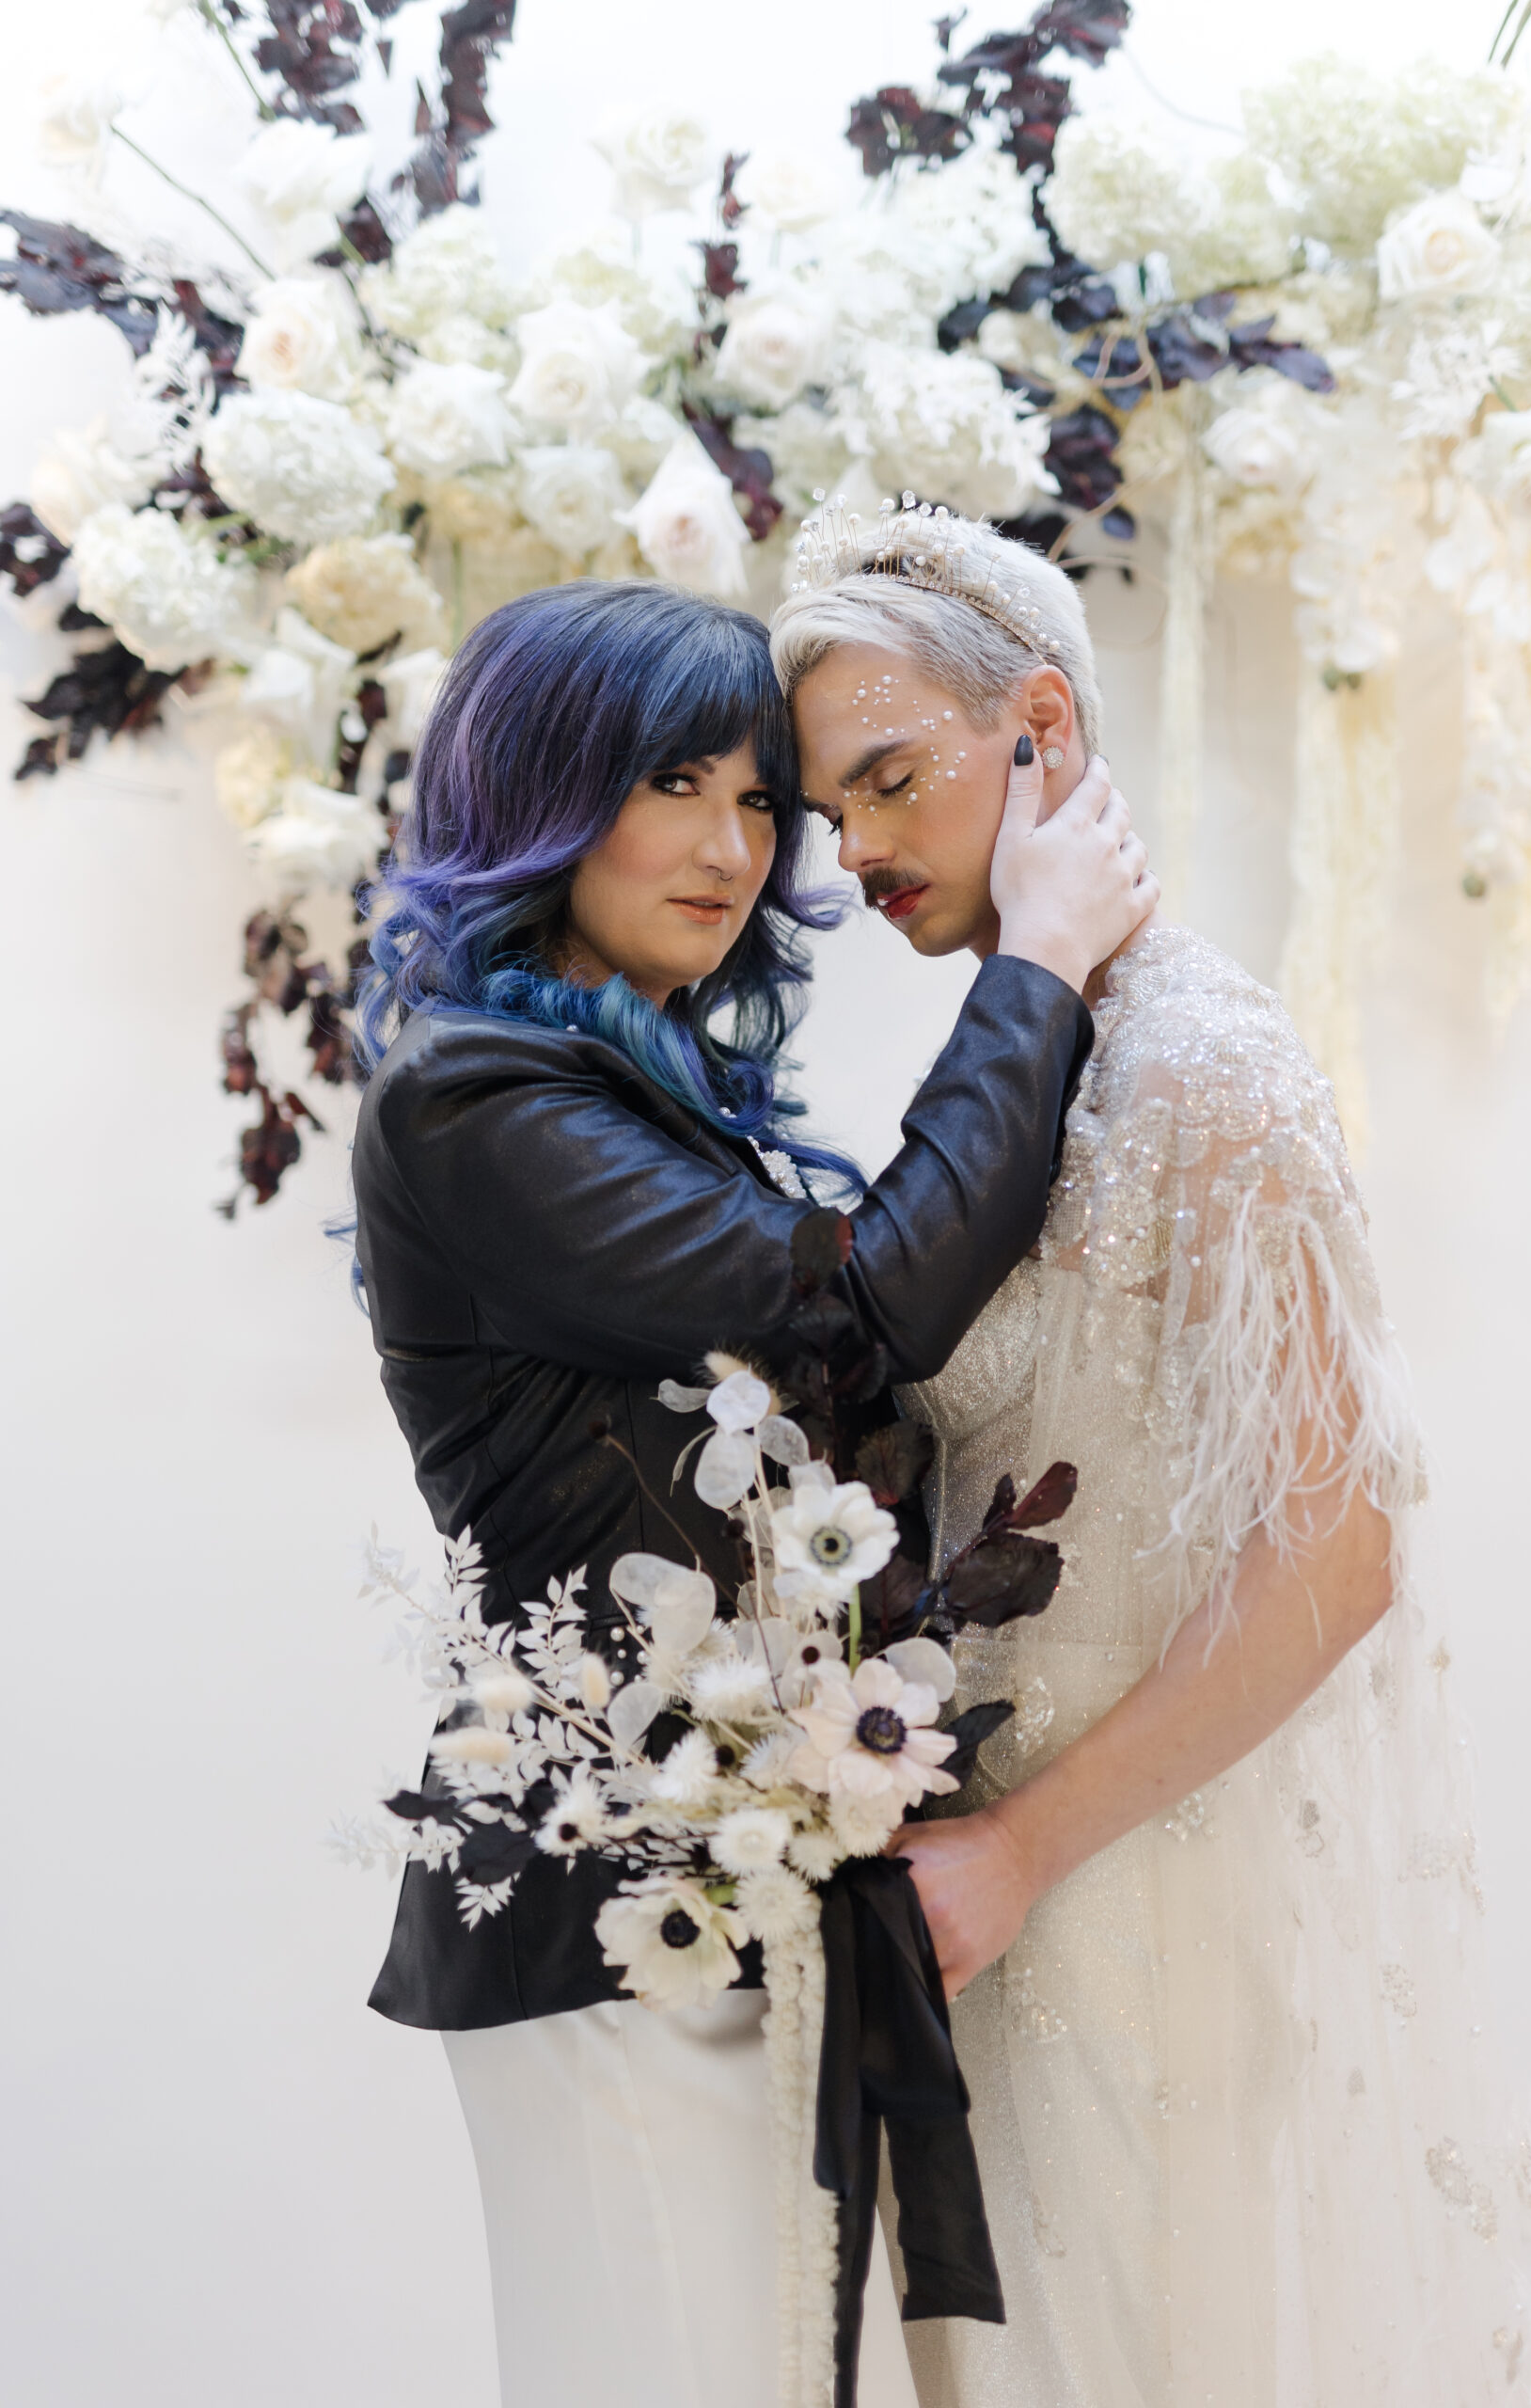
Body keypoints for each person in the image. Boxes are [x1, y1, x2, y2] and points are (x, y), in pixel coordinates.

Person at [349, 576, 1157, 2408]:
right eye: (673, 786)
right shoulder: (475, 1097)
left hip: (744, 1884)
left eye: (755, 804)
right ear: (547, 787)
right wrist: (1030, 961)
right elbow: (855, 1305)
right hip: (606, 1906)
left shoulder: (621, 1087)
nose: (730, 848)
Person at [770, 503, 1531, 2408]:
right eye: (829, 815)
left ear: (1037, 727)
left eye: (890, 781)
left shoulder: (1204, 1066)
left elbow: (1336, 1543)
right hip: (989, 1901)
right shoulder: (1042, 1053)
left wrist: (1024, 1847)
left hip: (1122, 1891)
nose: (855, 850)